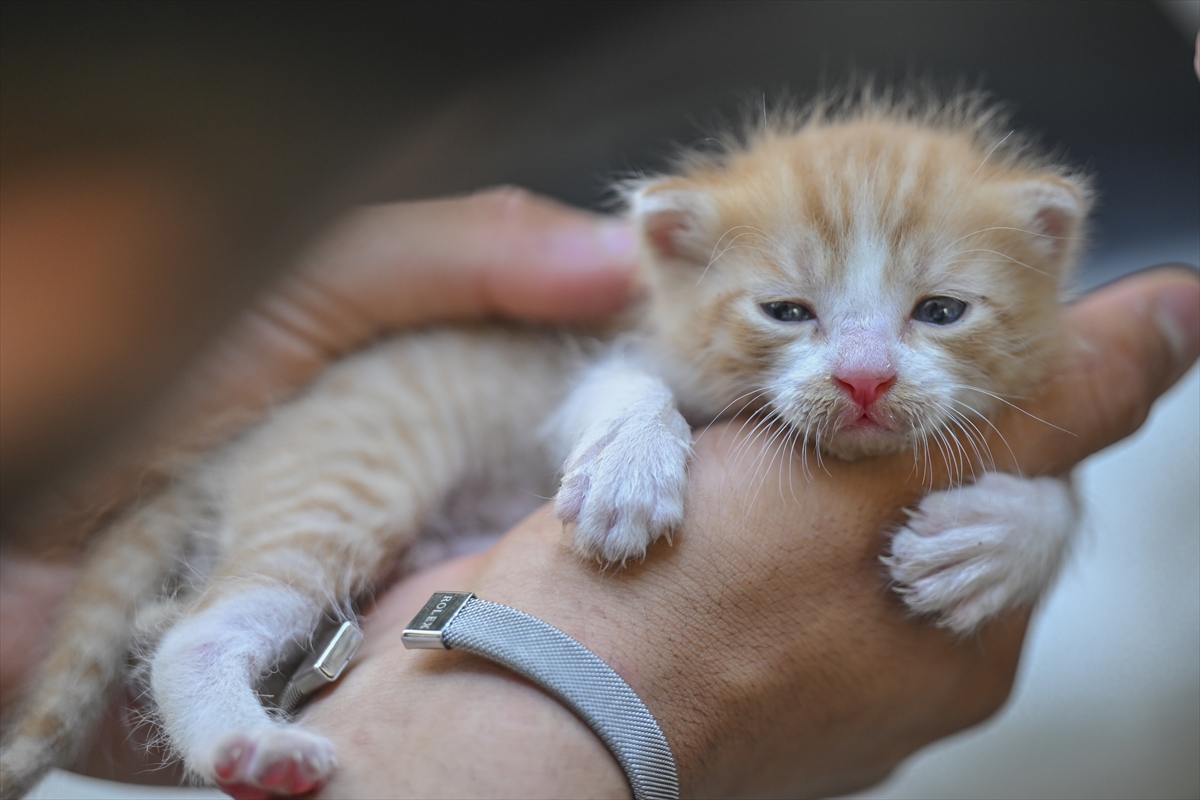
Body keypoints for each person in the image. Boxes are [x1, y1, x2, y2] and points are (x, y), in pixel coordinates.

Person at [1, 184, 1197, 798]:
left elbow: (1020, 448)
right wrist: (551, 713)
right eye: (794, 308)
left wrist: (1038, 522)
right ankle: (209, 662)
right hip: (441, 458)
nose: (866, 372)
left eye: (940, 310)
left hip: (436, 566)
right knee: (315, 539)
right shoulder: (682, 325)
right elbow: (632, 371)